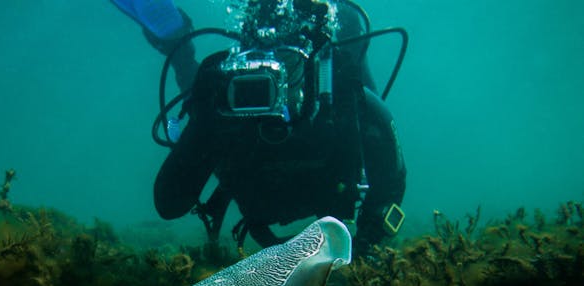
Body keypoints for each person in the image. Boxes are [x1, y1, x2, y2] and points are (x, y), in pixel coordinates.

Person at [116, 0, 407, 256]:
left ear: (311, 65)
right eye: (261, 61)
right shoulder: (225, 104)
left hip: (331, 107)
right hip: (248, 159)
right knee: (195, 83)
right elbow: (169, 204)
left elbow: (389, 187)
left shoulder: (346, 101)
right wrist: (207, 122)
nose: (272, 76)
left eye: (288, 64)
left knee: (353, 72)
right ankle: (179, 48)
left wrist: (362, 248)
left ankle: (337, 29)